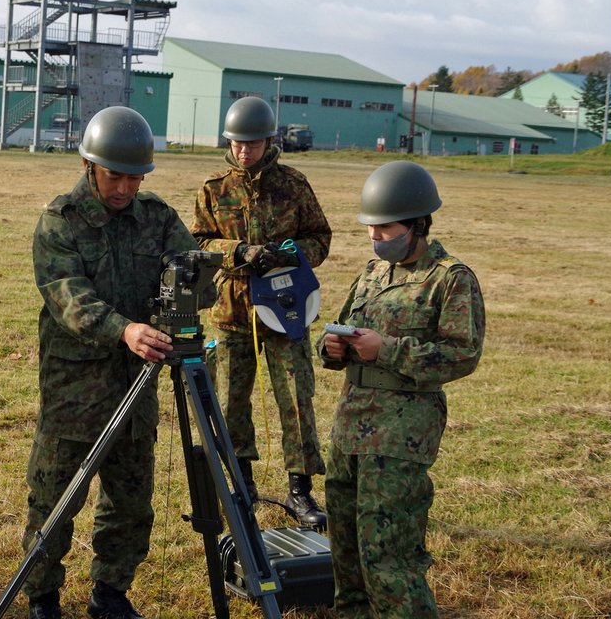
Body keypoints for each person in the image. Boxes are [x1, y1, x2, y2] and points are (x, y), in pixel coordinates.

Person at [24, 106, 205, 619]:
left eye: (135, 176)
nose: (125, 187)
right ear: (88, 164)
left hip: (138, 381)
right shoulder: (60, 222)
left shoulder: (158, 217)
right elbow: (66, 296)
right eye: (114, 175)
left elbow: (192, 272)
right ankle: (42, 595)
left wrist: (197, 281)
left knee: (130, 501)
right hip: (75, 386)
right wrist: (123, 328)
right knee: (54, 498)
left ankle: (111, 593)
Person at [318, 160, 485, 618]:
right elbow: (340, 332)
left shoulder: (450, 279)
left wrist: (387, 349)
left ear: (417, 224)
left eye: (385, 229)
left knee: (388, 554)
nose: (375, 238)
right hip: (350, 426)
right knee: (346, 550)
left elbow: (462, 354)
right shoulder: (372, 274)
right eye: (371, 229)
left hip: (400, 435)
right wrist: (332, 347)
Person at [190, 95, 332, 526]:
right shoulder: (214, 190)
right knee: (231, 402)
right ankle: (242, 484)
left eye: (251, 143)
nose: (243, 151)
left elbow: (320, 239)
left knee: (296, 401)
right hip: (232, 314)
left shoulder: (293, 184)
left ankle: (300, 491)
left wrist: (288, 254)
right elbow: (197, 243)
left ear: (269, 140)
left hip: (287, 312)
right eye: (236, 143)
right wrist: (241, 251)